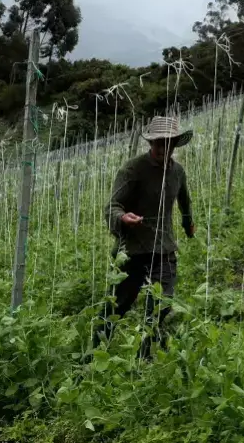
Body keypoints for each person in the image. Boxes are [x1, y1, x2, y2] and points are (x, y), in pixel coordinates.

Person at [93, 115, 195, 359]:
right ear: (151, 143)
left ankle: (144, 356)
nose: (162, 148)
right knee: (118, 304)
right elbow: (112, 205)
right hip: (133, 249)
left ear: (175, 144)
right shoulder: (133, 169)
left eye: (167, 142)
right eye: (158, 142)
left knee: (161, 304)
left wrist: (187, 222)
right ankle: (95, 354)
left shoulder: (177, 172)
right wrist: (122, 217)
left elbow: (184, 200)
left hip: (164, 248)